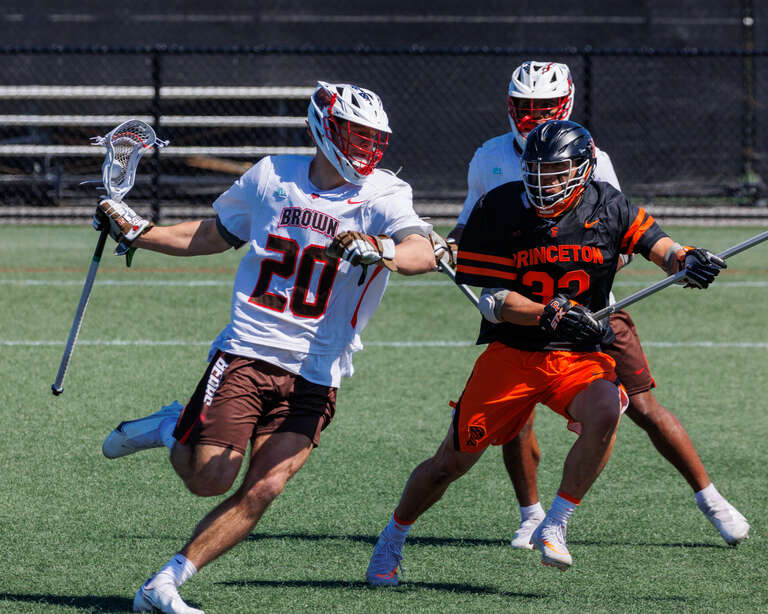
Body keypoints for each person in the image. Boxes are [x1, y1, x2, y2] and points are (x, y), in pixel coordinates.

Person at [96, 81, 437, 614]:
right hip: (251, 350)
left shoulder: (385, 195)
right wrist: (143, 233)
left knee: (264, 487)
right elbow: (213, 234)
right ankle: (171, 427)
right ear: (323, 129)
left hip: (320, 370)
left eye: (375, 138)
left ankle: (163, 584)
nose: (367, 148)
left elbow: (421, 253)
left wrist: (380, 247)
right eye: (356, 134)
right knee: (211, 478)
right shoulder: (272, 176)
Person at [367, 119, 728, 583]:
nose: (544, 181)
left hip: (577, 355)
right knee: (449, 464)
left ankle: (554, 524)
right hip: (514, 353)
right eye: (536, 169)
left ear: (583, 168)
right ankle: (392, 537)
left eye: (556, 171)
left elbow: (658, 245)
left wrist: (686, 258)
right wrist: (546, 313)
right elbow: (494, 301)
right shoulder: (499, 207)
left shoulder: (609, 204)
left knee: (606, 409)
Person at [447, 60, 749, 551]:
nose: (531, 119)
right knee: (515, 415)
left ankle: (709, 497)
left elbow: (620, 235)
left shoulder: (591, 156)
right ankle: (531, 516)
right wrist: (448, 247)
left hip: (595, 311)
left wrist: (675, 260)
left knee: (644, 407)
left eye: (543, 109)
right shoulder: (489, 157)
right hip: (523, 312)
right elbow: (469, 225)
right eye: (523, 109)